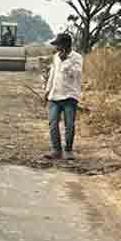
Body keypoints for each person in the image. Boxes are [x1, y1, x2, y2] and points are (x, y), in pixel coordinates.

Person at [44, 32, 82, 160]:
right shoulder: (56, 57)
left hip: (69, 96)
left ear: (66, 45)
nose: (57, 47)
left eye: (58, 45)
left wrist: (65, 62)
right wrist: (47, 90)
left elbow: (75, 75)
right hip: (54, 95)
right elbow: (53, 74)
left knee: (69, 125)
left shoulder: (77, 58)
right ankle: (56, 150)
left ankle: (68, 151)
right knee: (53, 123)